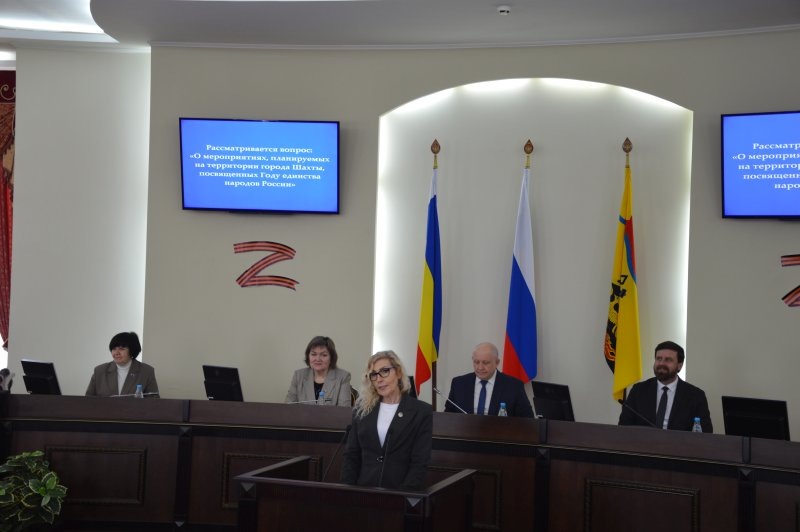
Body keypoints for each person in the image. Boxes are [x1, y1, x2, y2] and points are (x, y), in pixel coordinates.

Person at [340, 350, 432, 490]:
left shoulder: (421, 412)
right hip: (364, 491)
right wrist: (348, 491)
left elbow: (420, 461)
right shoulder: (362, 410)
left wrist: (404, 496)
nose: (379, 379)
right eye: (374, 374)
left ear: (399, 372)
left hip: (400, 492)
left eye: (385, 371)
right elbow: (351, 455)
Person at [618, 340, 713, 432]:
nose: (661, 363)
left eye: (668, 360)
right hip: (643, 442)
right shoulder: (638, 390)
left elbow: (705, 434)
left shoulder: (696, 396)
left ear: (679, 365)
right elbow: (623, 428)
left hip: (679, 443)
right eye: (658, 359)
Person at [445, 342, 534, 417]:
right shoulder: (459, 384)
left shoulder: (514, 386)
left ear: (497, 362)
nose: (480, 367)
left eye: (486, 363)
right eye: (476, 362)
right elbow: (448, 416)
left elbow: (527, 420)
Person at [85, 332, 159, 397]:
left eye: (121, 349)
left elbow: (153, 401)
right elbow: (88, 400)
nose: (116, 353)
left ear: (132, 350)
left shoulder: (146, 371)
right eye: (114, 349)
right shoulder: (99, 371)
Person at [285, 336, 352, 406]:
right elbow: (289, 406)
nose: (317, 359)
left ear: (331, 357)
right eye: (313, 354)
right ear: (308, 356)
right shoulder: (298, 376)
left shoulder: (343, 377)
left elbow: (343, 409)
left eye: (324, 355)